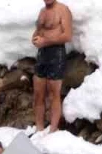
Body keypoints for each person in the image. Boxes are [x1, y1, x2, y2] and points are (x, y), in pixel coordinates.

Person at [31, 0, 72, 134]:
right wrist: (35, 38)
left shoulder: (63, 10)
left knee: (54, 94)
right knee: (38, 93)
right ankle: (39, 129)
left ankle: (53, 130)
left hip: (56, 53)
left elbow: (67, 35)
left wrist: (45, 41)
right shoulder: (42, 12)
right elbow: (38, 31)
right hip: (42, 53)